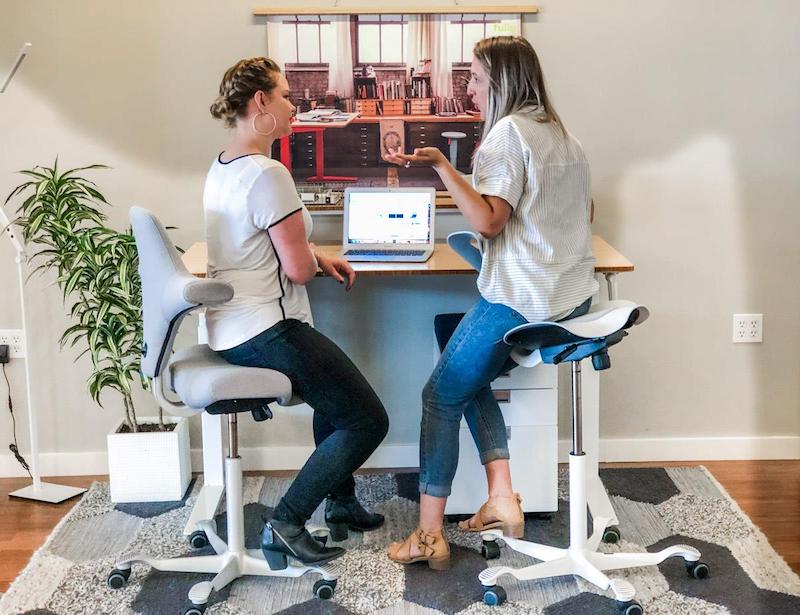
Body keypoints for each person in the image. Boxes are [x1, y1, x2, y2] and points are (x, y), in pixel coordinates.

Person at [384, 36, 599, 570]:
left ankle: (429, 536)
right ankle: (501, 494)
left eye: (476, 77)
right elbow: (579, 214)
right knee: (451, 336)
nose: (470, 88)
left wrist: (441, 166)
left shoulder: (507, 134)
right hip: (567, 299)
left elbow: (487, 220)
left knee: (438, 396)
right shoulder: (564, 136)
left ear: (500, 80)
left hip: (522, 301)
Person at [204, 57, 389, 566]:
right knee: (366, 418)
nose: (294, 106)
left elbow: (260, 248)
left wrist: (317, 255)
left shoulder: (224, 165)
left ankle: (343, 502)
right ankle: (286, 521)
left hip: (231, 327)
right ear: (260, 101)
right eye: (285, 95)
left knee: (334, 399)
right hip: (267, 327)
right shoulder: (269, 173)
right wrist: (312, 260)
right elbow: (298, 272)